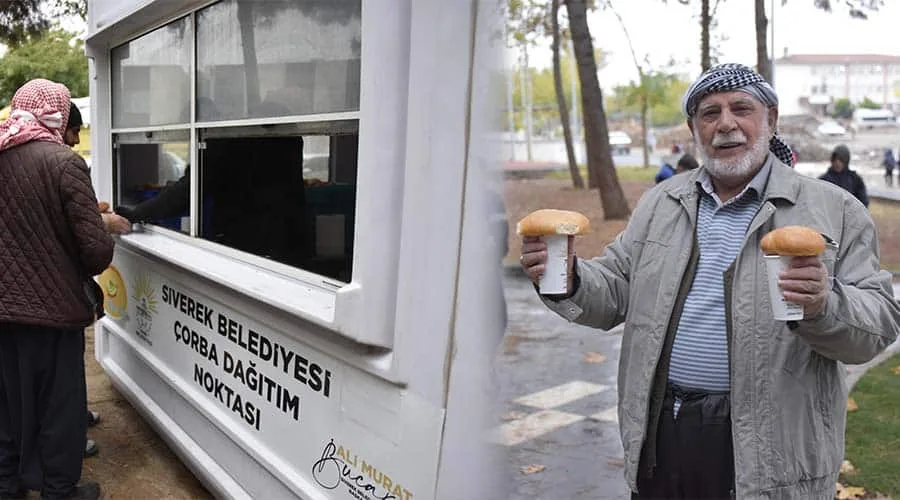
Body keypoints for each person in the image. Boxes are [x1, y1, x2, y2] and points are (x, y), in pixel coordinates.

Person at [520, 63, 900, 499]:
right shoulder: (662, 203)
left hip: (767, 450)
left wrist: (823, 305)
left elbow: (877, 330)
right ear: (693, 128)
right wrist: (567, 280)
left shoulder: (836, 211)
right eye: (709, 112)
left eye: (742, 108)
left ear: (770, 119)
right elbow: (614, 288)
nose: (726, 123)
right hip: (663, 436)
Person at [0, 79, 114, 499]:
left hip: (2, 313)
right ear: (59, 114)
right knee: (60, 409)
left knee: (7, 405)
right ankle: (59, 491)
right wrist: (109, 231)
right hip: (53, 314)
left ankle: (7, 485)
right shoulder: (64, 163)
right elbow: (96, 253)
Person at [63, 102, 131, 460]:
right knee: (63, 371)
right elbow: (85, 243)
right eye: (74, 131)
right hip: (54, 295)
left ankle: (72, 420)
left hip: (23, 298)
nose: (76, 140)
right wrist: (102, 227)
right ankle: (66, 443)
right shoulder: (63, 164)